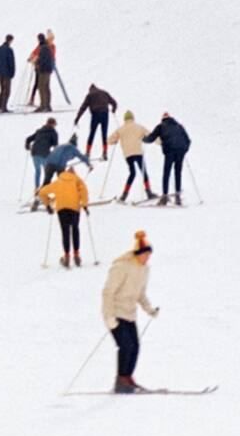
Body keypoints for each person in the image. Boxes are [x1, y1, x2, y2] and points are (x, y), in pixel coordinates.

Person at [101, 231, 159, 394]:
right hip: (115, 313)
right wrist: (109, 316)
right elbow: (108, 292)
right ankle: (121, 380)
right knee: (125, 346)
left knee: (135, 346)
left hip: (129, 314)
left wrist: (149, 309)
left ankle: (127, 378)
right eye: (145, 254)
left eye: (149, 254)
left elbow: (140, 293)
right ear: (138, 253)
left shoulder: (144, 269)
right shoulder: (122, 267)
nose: (147, 258)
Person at [38, 168, 89, 267]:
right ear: (74, 173)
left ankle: (66, 256)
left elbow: (42, 192)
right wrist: (85, 205)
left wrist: (48, 204)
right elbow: (84, 192)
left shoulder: (58, 181)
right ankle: (77, 255)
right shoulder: (77, 180)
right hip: (74, 208)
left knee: (65, 231)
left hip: (61, 209)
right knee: (75, 229)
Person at [107, 110, 158, 202]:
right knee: (143, 172)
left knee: (132, 173)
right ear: (133, 118)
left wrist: (114, 141)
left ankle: (124, 195)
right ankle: (148, 192)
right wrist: (162, 142)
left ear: (125, 119)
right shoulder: (139, 127)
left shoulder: (121, 129)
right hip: (138, 152)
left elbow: (109, 140)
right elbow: (151, 136)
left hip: (128, 155)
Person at [144, 113, 191, 206]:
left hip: (170, 151)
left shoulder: (161, 126)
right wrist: (184, 150)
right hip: (180, 151)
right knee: (178, 173)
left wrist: (143, 139)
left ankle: (164, 197)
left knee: (167, 173)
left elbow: (151, 138)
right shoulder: (179, 126)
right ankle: (178, 197)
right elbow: (188, 140)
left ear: (163, 119)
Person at [39, 134, 93, 198]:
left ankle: (40, 196)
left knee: (47, 181)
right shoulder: (74, 149)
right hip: (60, 166)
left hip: (49, 163)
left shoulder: (60, 146)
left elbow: (52, 154)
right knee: (62, 182)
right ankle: (61, 197)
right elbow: (82, 157)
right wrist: (89, 165)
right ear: (75, 144)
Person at [74, 84, 118, 160]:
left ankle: (87, 153)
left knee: (92, 134)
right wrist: (113, 110)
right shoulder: (104, 93)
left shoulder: (90, 95)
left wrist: (77, 118)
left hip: (95, 115)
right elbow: (114, 103)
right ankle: (105, 153)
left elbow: (83, 107)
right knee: (104, 134)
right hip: (105, 115)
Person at [25, 117, 59, 193]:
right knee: (47, 172)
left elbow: (28, 139)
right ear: (53, 124)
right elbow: (56, 146)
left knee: (38, 171)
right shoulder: (53, 133)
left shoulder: (39, 131)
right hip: (44, 154)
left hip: (34, 153)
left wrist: (27, 146)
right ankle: (45, 190)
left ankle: (37, 188)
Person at [0, 34, 16, 113]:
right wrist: (12, 72)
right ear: (10, 40)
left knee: (2, 90)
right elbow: (11, 62)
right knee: (7, 91)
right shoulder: (9, 50)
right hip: (7, 74)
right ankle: (3, 107)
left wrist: (0, 66)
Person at [34, 31, 56, 112]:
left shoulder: (43, 47)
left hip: (43, 70)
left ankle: (43, 105)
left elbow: (42, 59)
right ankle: (47, 105)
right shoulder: (47, 46)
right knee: (46, 87)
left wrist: (37, 63)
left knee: (42, 87)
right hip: (48, 70)